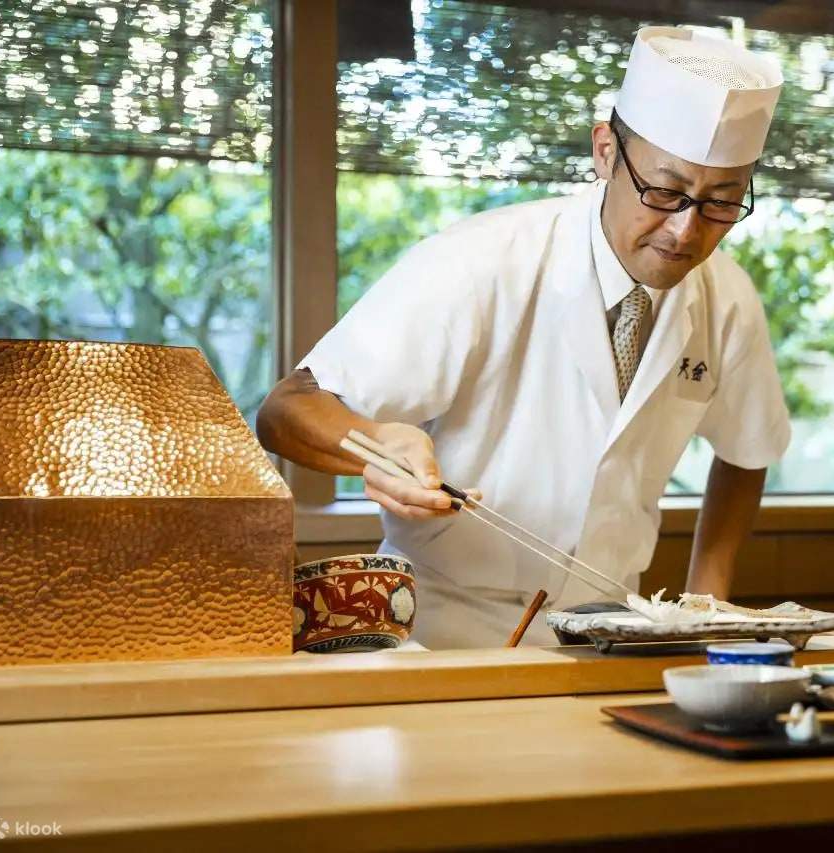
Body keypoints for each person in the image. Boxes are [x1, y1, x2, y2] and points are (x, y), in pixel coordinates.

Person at [257, 27, 791, 649]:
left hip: (611, 632)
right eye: (665, 192)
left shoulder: (727, 297)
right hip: (441, 627)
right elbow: (286, 410)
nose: (685, 231)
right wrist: (377, 445)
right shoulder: (480, 262)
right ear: (605, 152)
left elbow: (747, 448)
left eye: (721, 202)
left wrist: (709, 606)